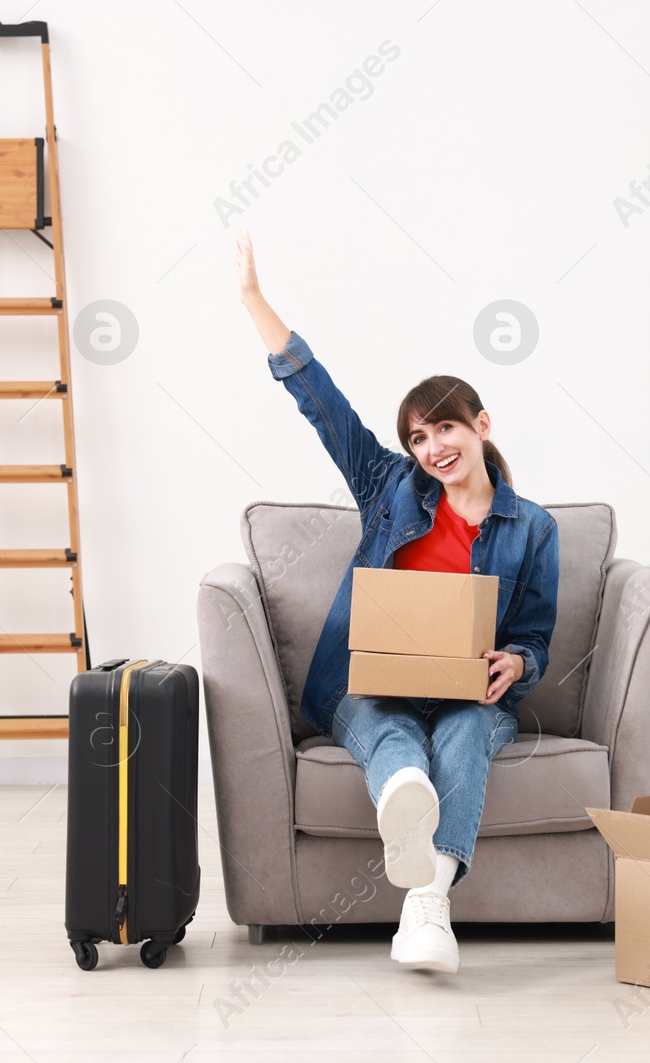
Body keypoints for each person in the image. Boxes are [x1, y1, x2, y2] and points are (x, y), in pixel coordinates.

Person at [234, 231, 560, 973]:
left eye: (445, 426)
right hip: (368, 683)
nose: (433, 447)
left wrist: (519, 662)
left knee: (468, 731)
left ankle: (426, 903)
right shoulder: (388, 487)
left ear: (481, 424)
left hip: (463, 691)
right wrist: (255, 302)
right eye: (418, 436)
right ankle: (409, 815)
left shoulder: (533, 527)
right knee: (393, 739)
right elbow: (324, 404)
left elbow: (535, 634)